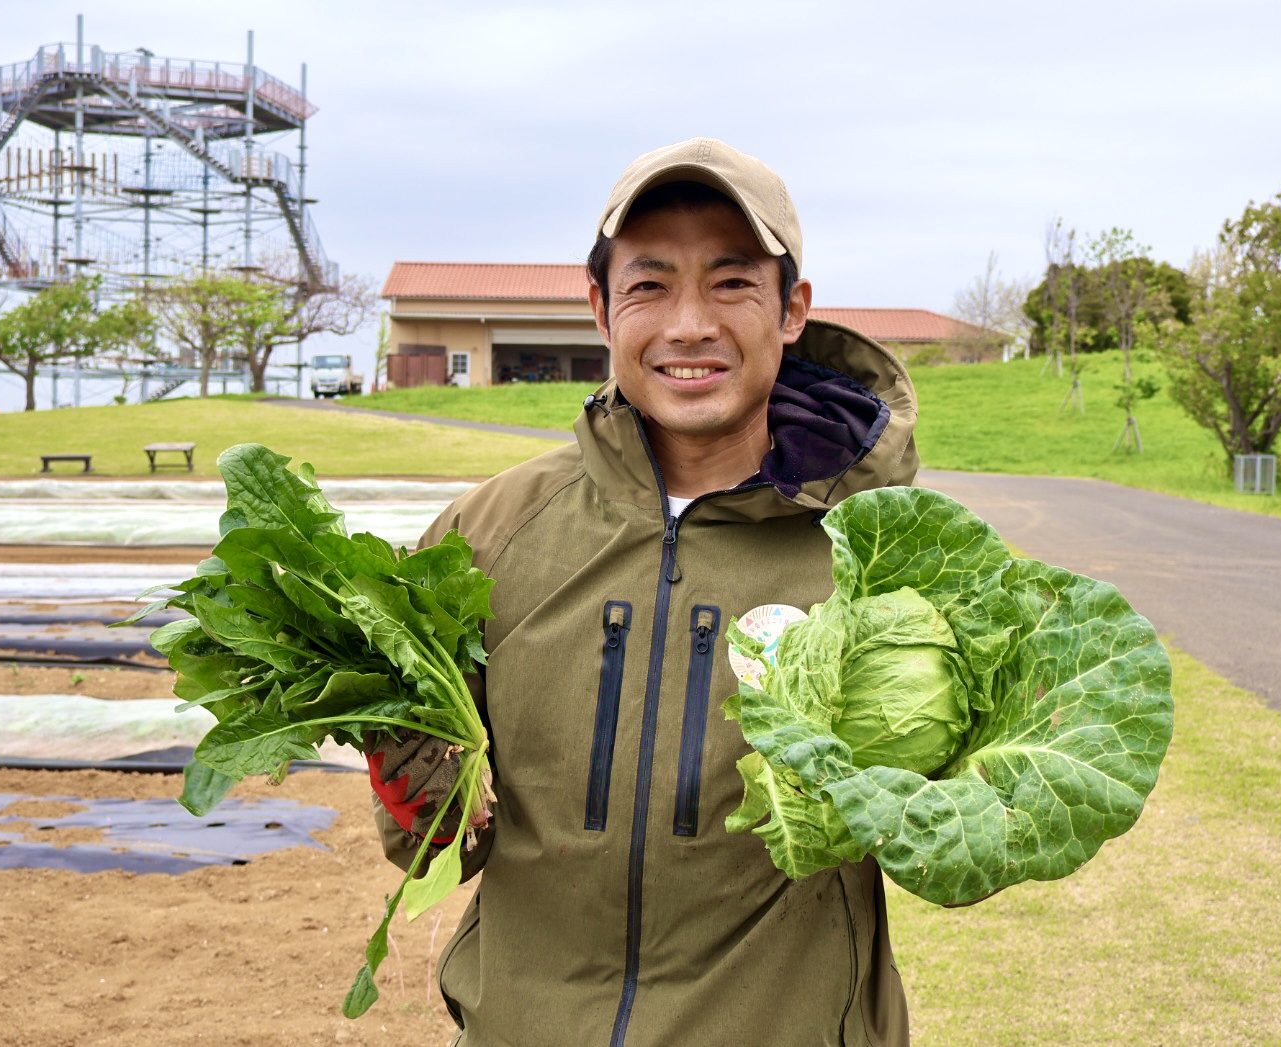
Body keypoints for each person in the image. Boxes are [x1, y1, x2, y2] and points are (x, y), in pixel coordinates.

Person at [369, 137, 917, 1046]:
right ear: (600, 308)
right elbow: (430, 844)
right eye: (650, 284)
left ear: (793, 311)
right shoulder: (486, 537)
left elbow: (949, 832)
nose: (690, 324)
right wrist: (417, 793)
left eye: (733, 283)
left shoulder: (879, 556)